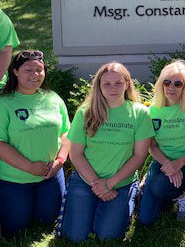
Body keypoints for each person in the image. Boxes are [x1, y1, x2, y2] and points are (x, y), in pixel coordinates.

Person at [61, 62, 153, 241]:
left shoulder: (140, 113)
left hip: (120, 182)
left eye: (118, 83)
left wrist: (110, 183)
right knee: (75, 236)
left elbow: (139, 155)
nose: (113, 88)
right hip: (86, 180)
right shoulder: (85, 113)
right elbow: (76, 154)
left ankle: (133, 193)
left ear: (127, 84)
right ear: (99, 86)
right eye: (107, 84)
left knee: (108, 236)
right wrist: (98, 184)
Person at [0, 50, 70, 236]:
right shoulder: (1, 104)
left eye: (39, 70)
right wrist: (29, 167)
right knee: (15, 228)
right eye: (28, 70)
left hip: (50, 175)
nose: (35, 75)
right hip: (15, 179)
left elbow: (66, 133)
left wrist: (60, 161)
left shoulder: (53, 98)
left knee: (48, 220)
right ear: (15, 72)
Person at [138, 60, 185, 225]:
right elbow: (152, 146)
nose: (171, 87)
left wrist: (179, 164)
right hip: (162, 162)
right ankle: (175, 193)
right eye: (167, 82)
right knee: (146, 219)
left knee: (158, 188)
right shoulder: (153, 110)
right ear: (161, 84)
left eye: (178, 84)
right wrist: (169, 165)